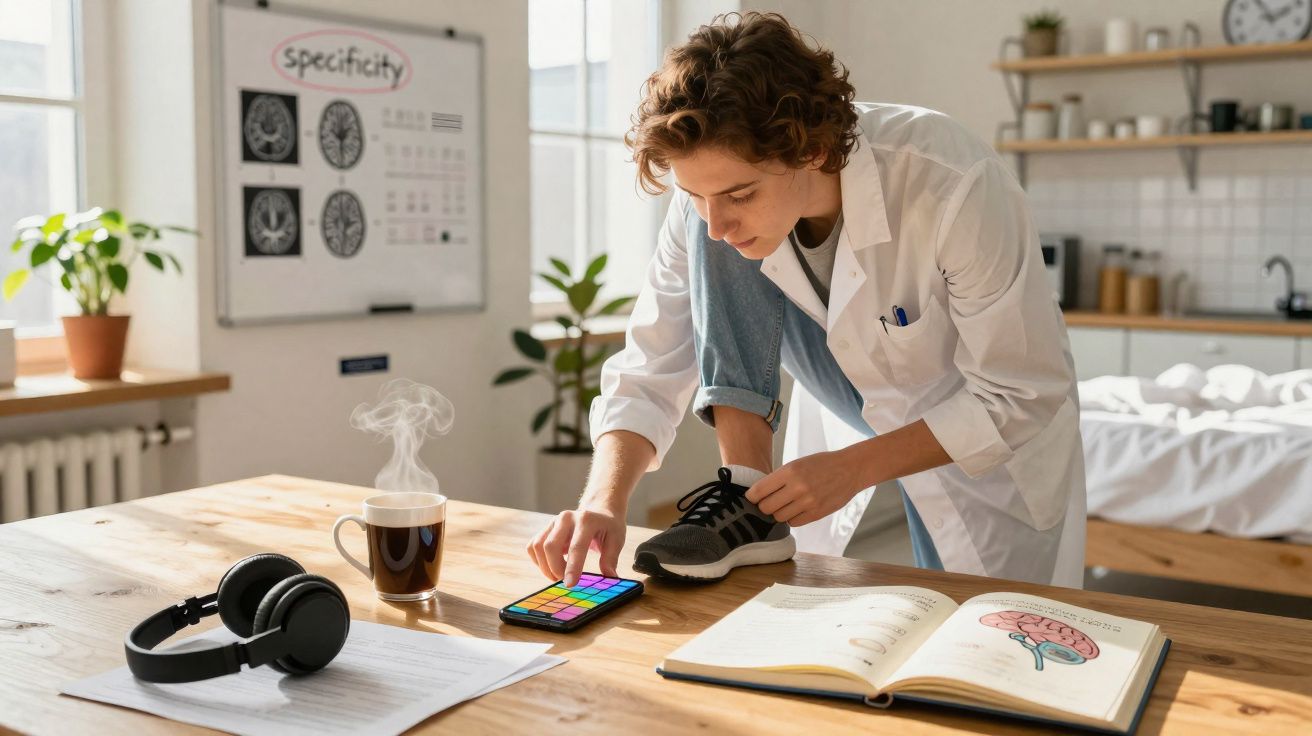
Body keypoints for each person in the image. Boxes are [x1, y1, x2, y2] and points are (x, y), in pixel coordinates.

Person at [526, 12, 1086, 591]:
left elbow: (1021, 391)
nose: (716, 223)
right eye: (694, 195)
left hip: (980, 447)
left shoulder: (952, 182)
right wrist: (603, 499)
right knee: (710, 238)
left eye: (741, 194)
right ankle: (745, 488)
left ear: (813, 151)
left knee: (977, 625)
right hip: (857, 399)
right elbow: (651, 365)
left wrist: (854, 468)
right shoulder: (711, 203)